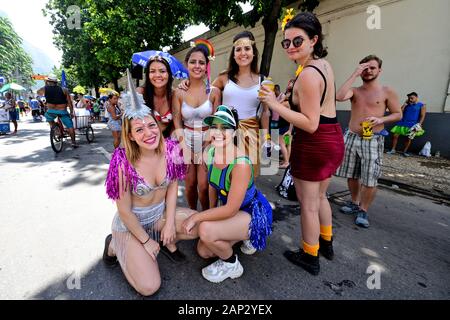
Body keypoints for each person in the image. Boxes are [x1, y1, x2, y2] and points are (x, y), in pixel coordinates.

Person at [259, 12, 345, 276]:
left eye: (298, 40)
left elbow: (309, 123)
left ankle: (310, 255)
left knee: (308, 203)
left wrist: (274, 104)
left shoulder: (307, 75)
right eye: (286, 42)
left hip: (314, 142)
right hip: (333, 139)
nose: (291, 47)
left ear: (314, 40)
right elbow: (316, 105)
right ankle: (326, 242)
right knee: (320, 197)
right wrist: (288, 100)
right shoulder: (323, 65)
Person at [103, 70, 197, 296]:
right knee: (149, 286)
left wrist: (169, 222)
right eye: (139, 129)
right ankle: (114, 246)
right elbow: (124, 212)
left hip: (157, 216)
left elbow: (173, 186)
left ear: (158, 124)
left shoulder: (171, 149)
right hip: (130, 224)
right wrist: (145, 242)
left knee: (198, 227)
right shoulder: (122, 162)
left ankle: (161, 239)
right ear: (131, 136)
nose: (148, 133)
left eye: (151, 125)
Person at [181, 105, 272, 283]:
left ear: (235, 132)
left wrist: (198, 218)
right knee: (203, 251)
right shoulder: (211, 152)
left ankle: (232, 264)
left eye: (225, 127)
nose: (218, 131)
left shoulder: (241, 164)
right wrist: (211, 214)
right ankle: (237, 234)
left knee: (206, 229)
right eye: (214, 126)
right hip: (234, 212)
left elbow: (230, 209)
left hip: (253, 213)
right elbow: (213, 186)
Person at [179, 31, 271, 177]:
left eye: (247, 48)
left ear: (254, 52)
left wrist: (267, 139)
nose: (243, 53)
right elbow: (205, 91)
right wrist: (188, 83)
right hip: (224, 132)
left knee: (246, 179)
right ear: (233, 54)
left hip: (251, 134)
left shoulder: (263, 80)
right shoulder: (224, 78)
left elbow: (266, 112)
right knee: (222, 175)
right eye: (238, 49)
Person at [335, 54, 402, 228]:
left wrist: (381, 120)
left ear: (379, 70)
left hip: (373, 138)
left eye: (372, 67)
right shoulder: (355, 90)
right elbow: (339, 96)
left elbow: (398, 114)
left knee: (370, 177)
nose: (368, 71)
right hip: (351, 136)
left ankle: (363, 210)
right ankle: (354, 202)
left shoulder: (387, 91)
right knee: (352, 173)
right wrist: (353, 75)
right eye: (365, 68)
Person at [172, 43, 221, 211]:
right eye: (193, 62)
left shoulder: (214, 92)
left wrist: (208, 148)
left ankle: (206, 216)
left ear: (206, 65)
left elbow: (217, 122)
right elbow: (177, 120)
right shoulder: (179, 92)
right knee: (190, 184)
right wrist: (183, 144)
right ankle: (192, 213)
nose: (197, 66)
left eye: (201, 62)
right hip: (186, 139)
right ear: (186, 64)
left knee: (204, 185)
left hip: (207, 140)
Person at [137, 55, 175, 138]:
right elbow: (131, 125)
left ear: (169, 74)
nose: (157, 75)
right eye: (152, 71)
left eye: (162, 71)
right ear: (148, 75)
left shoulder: (175, 95)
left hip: (168, 144)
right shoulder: (140, 94)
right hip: (144, 142)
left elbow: (176, 125)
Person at [37, 75, 78, 147]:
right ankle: (73, 142)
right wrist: (71, 112)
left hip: (51, 111)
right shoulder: (64, 90)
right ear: (56, 82)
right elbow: (69, 102)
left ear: (48, 82)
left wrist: (45, 85)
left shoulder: (45, 89)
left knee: (48, 117)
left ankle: (54, 128)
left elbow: (38, 92)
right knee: (70, 126)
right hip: (62, 111)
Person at [387, 92, 426, 157]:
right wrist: (405, 104)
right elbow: (400, 111)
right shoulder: (407, 104)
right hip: (402, 122)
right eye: (409, 98)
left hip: (413, 124)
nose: (410, 99)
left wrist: (420, 124)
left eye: (412, 98)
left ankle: (405, 151)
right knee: (395, 135)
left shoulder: (421, 105)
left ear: (416, 97)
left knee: (409, 138)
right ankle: (393, 149)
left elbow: (422, 115)